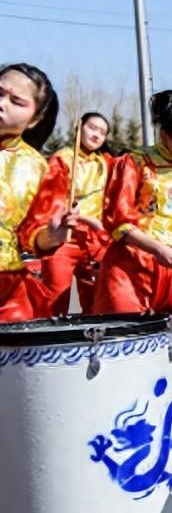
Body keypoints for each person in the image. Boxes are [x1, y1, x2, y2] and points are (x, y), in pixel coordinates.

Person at [92, 89, 172, 444]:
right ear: (165, 136)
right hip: (133, 263)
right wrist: (156, 246)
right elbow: (117, 219)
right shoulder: (134, 164)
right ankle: (116, 434)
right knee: (124, 346)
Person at [0, 63, 73, 322]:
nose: (2, 103)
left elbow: (34, 235)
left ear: (35, 119)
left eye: (16, 101)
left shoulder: (39, 169)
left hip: (6, 290)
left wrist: (51, 236)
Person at [41, 112, 114, 314]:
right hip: (64, 237)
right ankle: (53, 344)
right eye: (92, 128)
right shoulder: (61, 160)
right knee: (55, 297)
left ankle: (94, 343)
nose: (97, 135)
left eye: (102, 132)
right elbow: (51, 201)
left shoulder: (106, 162)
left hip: (96, 239)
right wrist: (83, 218)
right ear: (79, 127)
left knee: (97, 298)